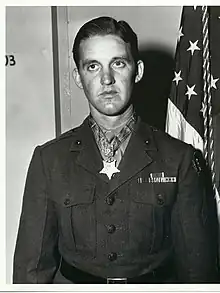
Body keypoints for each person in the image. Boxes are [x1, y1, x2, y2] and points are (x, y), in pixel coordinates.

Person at [13, 16, 218, 284]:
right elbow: (31, 271)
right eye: (93, 66)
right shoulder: (49, 160)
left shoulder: (179, 160)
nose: (107, 79)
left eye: (118, 63)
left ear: (138, 70)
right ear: (78, 76)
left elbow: (197, 273)